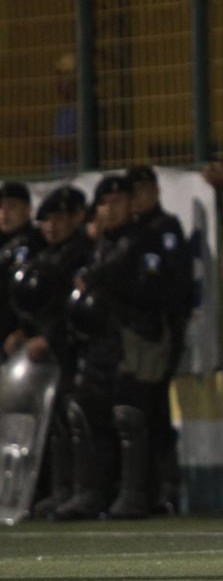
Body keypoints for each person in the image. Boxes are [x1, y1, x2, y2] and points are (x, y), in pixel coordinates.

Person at [61, 175, 172, 519]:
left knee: (130, 416)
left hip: (133, 343)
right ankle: (89, 493)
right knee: (84, 413)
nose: (112, 209)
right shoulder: (94, 245)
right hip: (98, 344)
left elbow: (150, 292)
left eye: (119, 201)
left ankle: (135, 495)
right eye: (105, 204)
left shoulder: (145, 239)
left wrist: (101, 275)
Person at [8, 186, 92, 516]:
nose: (50, 226)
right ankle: (60, 491)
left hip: (73, 350)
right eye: (45, 220)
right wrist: (23, 332)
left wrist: (49, 339)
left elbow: (68, 310)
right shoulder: (47, 255)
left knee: (78, 419)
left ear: (75, 218)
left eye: (57, 218)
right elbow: (37, 306)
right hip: (48, 353)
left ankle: (83, 492)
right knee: (54, 423)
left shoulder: (81, 255)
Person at [127, 165, 191, 512]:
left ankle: (166, 488)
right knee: (135, 410)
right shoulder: (129, 233)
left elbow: (176, 284)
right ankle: (142, 487)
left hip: (159, 332)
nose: (138, 197)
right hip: (132, 334)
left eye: (142, 190)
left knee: (156, 407)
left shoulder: (165, 228)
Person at [0, 181, 45, 353]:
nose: (5, 213)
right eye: (1, 206)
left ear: (27, 209)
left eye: (12, 206)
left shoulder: (35, 243)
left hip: (17, 340)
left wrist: (26, 329)